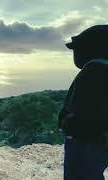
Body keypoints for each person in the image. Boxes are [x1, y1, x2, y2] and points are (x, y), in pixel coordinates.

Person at [59, 25, 108, 180]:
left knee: (81, 174)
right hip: (98, 139)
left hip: (86, 141)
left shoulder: (94, 70)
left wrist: (67, 122)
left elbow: (85, 112)